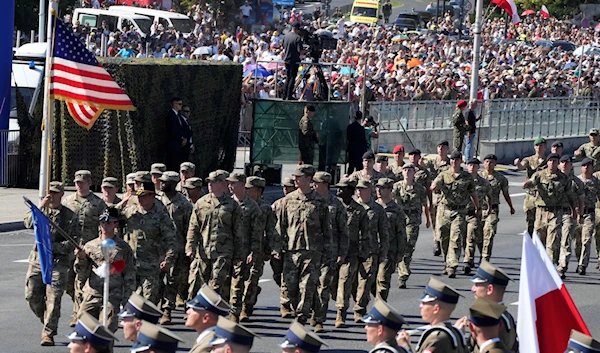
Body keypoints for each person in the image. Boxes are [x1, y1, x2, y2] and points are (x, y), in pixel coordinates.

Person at [24, 181, 80, 346]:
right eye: (50, 193)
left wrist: (52, 247)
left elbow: (73, 242)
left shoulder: (70, 216)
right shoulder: (40, 211)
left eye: (55, 193)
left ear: (62, 194)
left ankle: (48, 333)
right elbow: (27, 223)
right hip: (38, 260)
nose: (52, 196)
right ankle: (46, 318)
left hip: (58, 261)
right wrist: (41, 207)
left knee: (54, 298)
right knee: (32, 295)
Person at [274, 165, 331, 324]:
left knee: (307, 286)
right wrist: (276, 248)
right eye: (295, 177)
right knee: (290, 287)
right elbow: (280, 226)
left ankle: (302, 315)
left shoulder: (320, 202)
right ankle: (297, 307)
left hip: (313, 251)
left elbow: (326, 229)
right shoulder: (287, 200)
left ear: (308, 179)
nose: (295, 180)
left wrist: (328, 252)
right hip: (292, 251)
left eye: (299, 177)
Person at [75, 207, 136, 333]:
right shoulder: (90, 246)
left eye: (108, 222)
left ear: (116, 224)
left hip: (112, 295)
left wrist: (127, 301)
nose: (105, 226)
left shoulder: (123, 248)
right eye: (102, 222)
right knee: (84, 328)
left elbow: (129, 274)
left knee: (107, 330)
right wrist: (81, 259)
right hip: (92, 293)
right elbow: (81, 272)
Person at [186, 170, 244, 299]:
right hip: (203, 251)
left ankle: (212, 313)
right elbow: (193, 227)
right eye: (209, 182)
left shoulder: (232, 205)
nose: (210, 184)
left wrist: (239, 255)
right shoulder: (201, 203)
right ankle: (194, 311)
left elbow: (238, 231)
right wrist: (190, 247)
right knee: (197, 284)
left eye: (214, 181)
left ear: (223, 184)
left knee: (216, 284)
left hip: (223, 252)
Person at [120, 181, 178, 304]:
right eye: (138, 196)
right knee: (129, 300)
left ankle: (145, 320)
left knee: (149, 299)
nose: (140, 199)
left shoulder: (160, 215)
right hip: (131, 263)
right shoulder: (130, 211)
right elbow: (108, 217)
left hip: (151, 265)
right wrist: (121, 204)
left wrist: (168, 259)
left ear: (152, 196)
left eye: (144, 196)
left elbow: (170, 238)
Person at [63, 170, 107, 327]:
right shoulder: (68, 201)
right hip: (70, 249)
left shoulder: (98, 203)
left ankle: (77, 314)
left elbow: (104, 226)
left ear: (89, 183)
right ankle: (79, 306)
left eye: (82, 182)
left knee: (81, 282)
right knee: (69, 282)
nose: (79, 186)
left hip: (89, 250)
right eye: (77, 183)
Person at [431, 151, 480, 278]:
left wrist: (477, 207)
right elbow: (435, 184)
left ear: (461, 161)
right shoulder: (444, 174)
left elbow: (473, 193)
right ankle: (446, 262)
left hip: (459, 211)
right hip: (444, 211)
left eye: (457, 159)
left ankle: (452, 265)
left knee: (456, 237)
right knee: (443, 238)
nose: (454, 162)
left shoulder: (467, 177)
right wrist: (434, 186)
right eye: (452, 159)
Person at [311, 172, 348, 333]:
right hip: (311, 252)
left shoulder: (336, 205)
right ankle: (313, 311)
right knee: (309, 286)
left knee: (324, 285)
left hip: (329, 252)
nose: (313, 186)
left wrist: (341, 252)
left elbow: (343, 231)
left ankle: (319, 319)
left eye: (316, 183)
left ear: (325, 185)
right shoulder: (311, 202)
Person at [522, 153, 575, 265]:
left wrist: (574, 210)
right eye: (550, 161)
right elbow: (532, 182)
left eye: (555, 161)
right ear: (547, 162)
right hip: (541, 212)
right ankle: (538, 266)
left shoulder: (564, 178)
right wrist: (526, 184)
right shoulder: (539, 175)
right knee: (539, 241)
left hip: (555, 212)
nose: (552, 163)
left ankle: (549, 267)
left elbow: (570, 195)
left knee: (552, 242)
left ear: (558, 163)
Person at [333, 177, 371, 328]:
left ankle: (341, 315)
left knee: (345, 281)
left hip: (351, 253)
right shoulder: (333, 207)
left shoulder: (359, 210)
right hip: (332, 252)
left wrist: (364, 252)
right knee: (332, 285)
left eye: (342, 189)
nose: (338, 191)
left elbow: (365, 234)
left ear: (350, 191)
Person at [157, 171, 194, 324]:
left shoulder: (184, 204)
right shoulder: (157, 202)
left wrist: (189, 248)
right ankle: (161, 306)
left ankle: (167, 310)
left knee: (176, 281)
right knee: (157, 280)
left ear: (173, 184)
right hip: (158, 249)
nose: (161, 184)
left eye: (164, 182)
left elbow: (190, 228)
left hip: (178, 249)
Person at [226, 172, 263, 323]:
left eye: (233, 183)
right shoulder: (226, 203)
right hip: (225, 249)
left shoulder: (252, 206)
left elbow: (257, 232)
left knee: (238, 282)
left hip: (243, 251)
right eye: (229, 183)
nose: (230, 186)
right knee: (224, 282)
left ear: (242, 185)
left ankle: (235, 312)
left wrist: (254, 251)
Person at [397, 278, 467, 353]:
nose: (420, 306)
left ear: (436, 309)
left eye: (424, 302)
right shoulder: (456, 333)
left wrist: (405, 347)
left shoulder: (436, 338)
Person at [354, 179, 389, 322]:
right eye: (358, 189)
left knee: (365, 281)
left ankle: (359, 310)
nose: (359, 191)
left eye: (362, 189)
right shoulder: (352, 207)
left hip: (370, 251)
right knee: (351, 283)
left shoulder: (378, 209)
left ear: (369, 191)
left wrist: (383, 252)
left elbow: (384, 232)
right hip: (352, 250)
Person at [242, 177, 276, 322]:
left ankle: (245, 306)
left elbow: (271, 230)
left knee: (252, 277)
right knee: (238, 279)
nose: (246, 191)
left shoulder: (266, 208)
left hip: (258, 249)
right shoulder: (239, 204)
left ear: (258, 191)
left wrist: (270, 249)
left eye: (249, 189)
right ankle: (247, 297)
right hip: (239, 248)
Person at [393, 164, 429, 288]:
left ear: (414, 173)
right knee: (399, 246)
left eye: (410, 170)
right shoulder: (397, 187)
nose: (407, 172)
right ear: (402, 172)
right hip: (399, 220)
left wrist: (428, 219)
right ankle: (400, 268)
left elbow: (425, 204)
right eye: (405, 170)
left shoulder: (419, 188)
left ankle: (403, 275)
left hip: (413, 221)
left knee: (408, 246)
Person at [469, 261, 518, 352]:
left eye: (477, 285)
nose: (473, 289)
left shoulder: (491, 317)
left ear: (490, 289)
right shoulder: (506, 317)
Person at [480, 154, 515, 263]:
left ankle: (485, 258)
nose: (488, 164)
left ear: (495, 164)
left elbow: (506, 193)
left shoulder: (501, 178)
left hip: (493, 209)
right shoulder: (478, 176)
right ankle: (471, 258)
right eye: (486, 162)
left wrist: (511, 207)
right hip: (479, 209)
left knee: (489, 233)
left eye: (491, 162)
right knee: (477, 235)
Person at [374, 178, 404, 301]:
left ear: (390, 190)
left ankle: (379, 308)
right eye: (377, 187)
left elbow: (401, 233)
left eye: (382, 188)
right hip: (370, 250)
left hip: (388, 251)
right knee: (367, 282)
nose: (379, 190)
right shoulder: (372, 207)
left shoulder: (396, 210)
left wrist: (400, 252)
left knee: (383, 280)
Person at [514, 137, 547, 236]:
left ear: (545, 147)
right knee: (529, 223)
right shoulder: (529, 160)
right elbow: (522, 167)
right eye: (537, 145)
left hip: (542, 196)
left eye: (541, 145)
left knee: (540, 224)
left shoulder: (549, 161)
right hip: (530, 196)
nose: (539, 148)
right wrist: (518, 164)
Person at [463, 158, 491, 274]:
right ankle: (471, 257)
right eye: (470, 165)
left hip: (474, 214)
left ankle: (467, 261)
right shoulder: (461, 180)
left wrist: (489, 208)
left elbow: (489, 195)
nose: (472, 167)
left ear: (478, 167)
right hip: (461, 212)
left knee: (471, 236)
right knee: (463, 238)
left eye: (474, 165)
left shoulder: (483, 182)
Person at [573, 158, 600, 276]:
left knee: (587, 239)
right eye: (584, 166)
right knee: (577, 241)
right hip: (578, 213)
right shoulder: (577, 181)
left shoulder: (596, 182)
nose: (586, 168)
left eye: (589, 166)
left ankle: (582, 265)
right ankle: (579, 259)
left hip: (590, 213)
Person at [186, 285, 231, 353]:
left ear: (206, 318)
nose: (188, 312)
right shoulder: (206, 338)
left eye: (193, 309)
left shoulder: (210, 346)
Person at [425, 140, 451, 256]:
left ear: (447, 149)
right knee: (434, 220)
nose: (441, 149)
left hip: (445, 196)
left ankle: (441, 241)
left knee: (443, 222)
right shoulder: (432, 162)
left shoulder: (451, 164)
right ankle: (436, 240)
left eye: (443, 147)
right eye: (439, 146)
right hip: (433, 196)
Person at [271, 176, 296, 289]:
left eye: (288, 187)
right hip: (278, 244)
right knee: (277, 274)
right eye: (284, 187)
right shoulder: (278, 204)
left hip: (293, 246)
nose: (285, 189)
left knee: (291, 276)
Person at [166, 97, 193, 171]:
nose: (181, 106)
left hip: (179, 144)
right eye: (179, 104)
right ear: (175, 104)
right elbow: (173, 129)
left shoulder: (177, 116)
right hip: (174, 144)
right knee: (174, 163)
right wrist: (181, 138)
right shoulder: (171, 115)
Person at [282, 22, 303, 100]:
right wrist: (306, 51)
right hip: (294, 60)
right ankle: (289, 95)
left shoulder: (286, 36)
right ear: (297, 29)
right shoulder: (297, 37)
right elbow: (299, 50)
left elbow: (283, 46)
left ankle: (284, 95)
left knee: (288, 77)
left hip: (286, 58)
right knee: (292, 77)